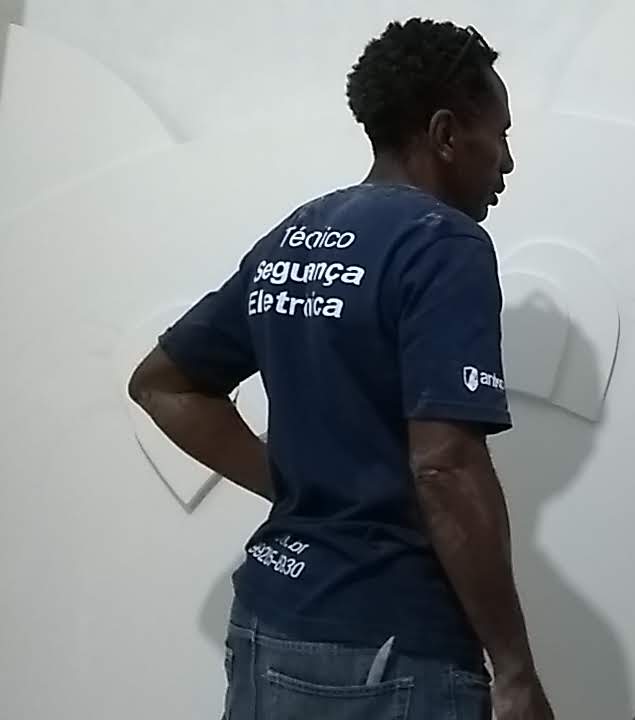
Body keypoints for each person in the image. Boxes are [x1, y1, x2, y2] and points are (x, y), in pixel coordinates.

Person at [127, 19, 554, 720]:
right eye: (500, 134)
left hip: (268, 621)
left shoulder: (297, 234)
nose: (507, 160)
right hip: (390, 650)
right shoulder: (444, 245)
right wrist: (514, 673)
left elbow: (162, 383)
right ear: (446, 134)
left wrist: (298, 491)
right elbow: (445, 466)